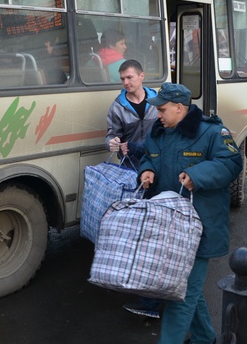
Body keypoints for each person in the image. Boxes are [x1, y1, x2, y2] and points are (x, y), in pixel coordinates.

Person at [138, 83, 243, 344]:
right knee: (185, 288)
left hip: (199, 226)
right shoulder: (158, 131)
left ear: (179, 108)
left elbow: (231, 163)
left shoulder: (211, 132)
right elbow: (147, 156)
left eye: (162, 109)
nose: (158, 115)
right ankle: (205, 337)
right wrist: (147, 170)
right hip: (166, 225)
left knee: (181, 293)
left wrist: (197, 175)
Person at [105, 60, 160, 319]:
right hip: (132, 169)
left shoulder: (157, 99)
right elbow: (111, 136)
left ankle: (151, 292)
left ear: (141, 76)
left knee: (150, 229)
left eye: (129, 77)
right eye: (122, 79)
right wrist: (114, 143)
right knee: (136, 224)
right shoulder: (118, 106)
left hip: (157, 167)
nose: (126, 83)